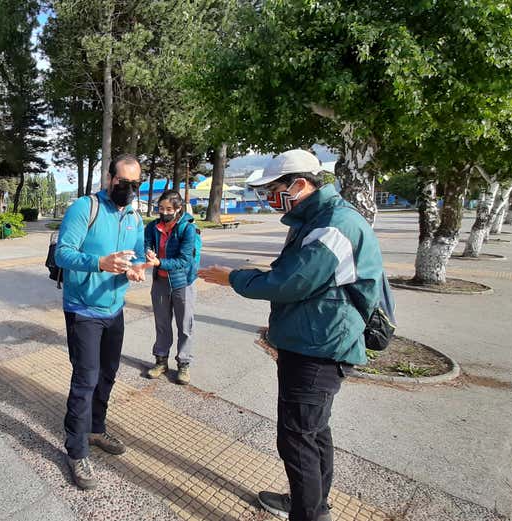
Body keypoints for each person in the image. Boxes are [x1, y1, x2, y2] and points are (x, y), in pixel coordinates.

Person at [199, 149, 384, 521]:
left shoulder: (334, 225)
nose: (269, 197)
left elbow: (290, 281)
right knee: (313, 432)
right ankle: (310, 502)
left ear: (299, 185)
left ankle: (309, 513)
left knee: (297, 439)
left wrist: (233, 277)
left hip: (319, 348)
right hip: (314, 339)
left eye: (273, 190)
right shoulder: (316, 218)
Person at [54, 154, 147, 490]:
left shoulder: (135, 215)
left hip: (114, 309)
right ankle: (76, 450)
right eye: (124, 182)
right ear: (110, 178)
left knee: (107, 375)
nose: (129, 189)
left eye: (136, 184)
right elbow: (62, 253)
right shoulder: (85, 207)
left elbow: (137, 254)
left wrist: (137, 268)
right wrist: (100, 263)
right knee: (85, 380)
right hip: (83, 310)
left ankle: (96, 429)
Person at [144, 190, 199, 385]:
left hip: (182, 282)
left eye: (169, 209)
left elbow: (184, 260)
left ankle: (184, 363)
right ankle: (161, 361)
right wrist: (148, 252)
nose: (164, 212)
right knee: (162, 324)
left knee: (185, 326)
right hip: (160, 282)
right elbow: (146, 244)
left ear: (178, 208)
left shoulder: (187, 229)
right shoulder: (152, 226)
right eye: (161, 208)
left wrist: (159, 262)